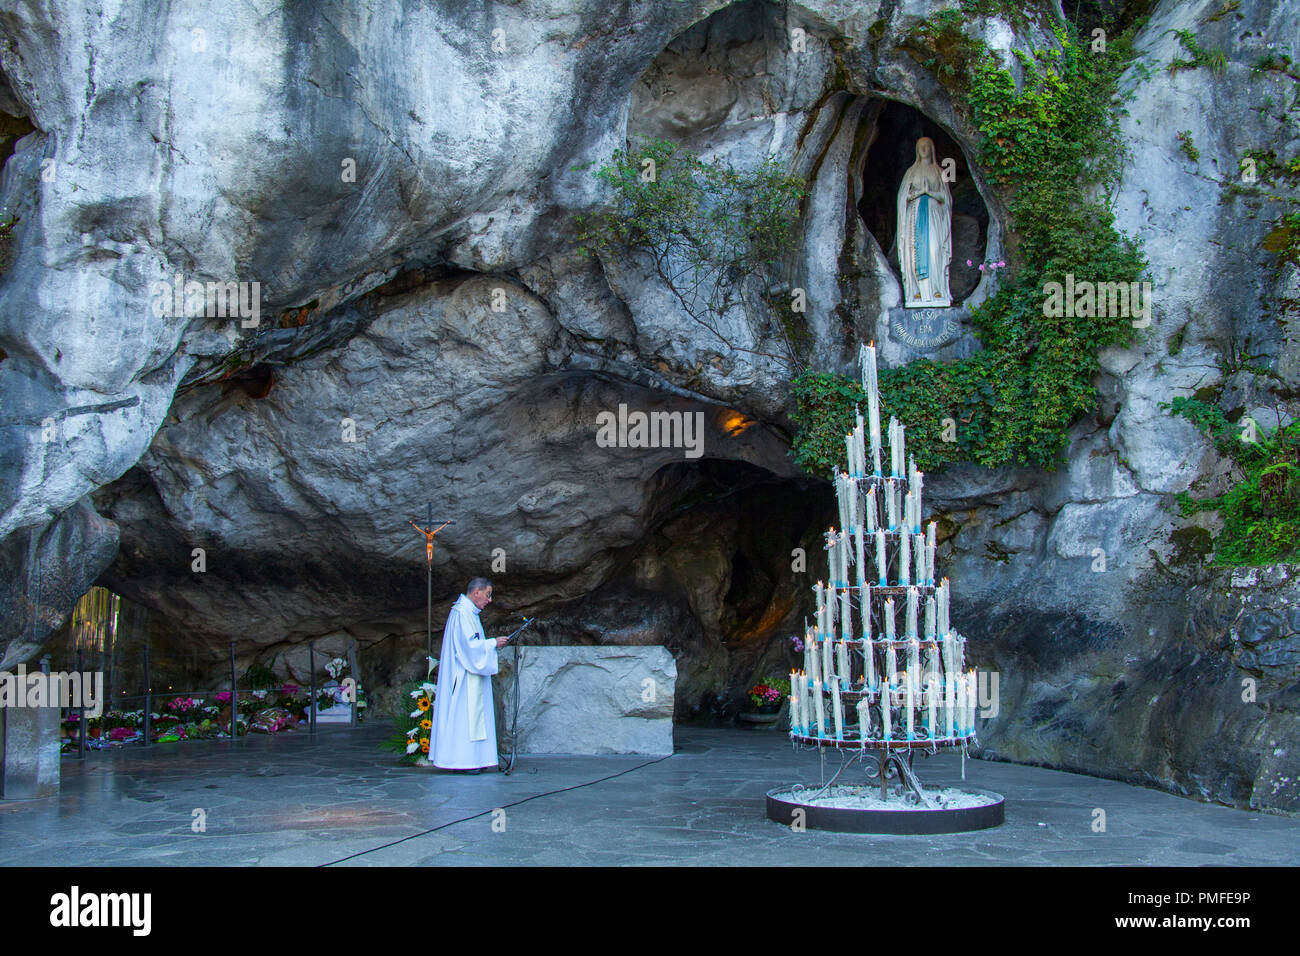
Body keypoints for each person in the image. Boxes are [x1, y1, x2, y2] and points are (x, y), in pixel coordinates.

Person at [429, 577, 509, 773]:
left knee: (473, 717)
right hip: (463, 677)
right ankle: (462, 761)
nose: (489, 600)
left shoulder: (469, 613)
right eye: (488, 595)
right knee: (465, 717)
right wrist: (492, 643)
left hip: (470, 675)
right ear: (476, 593)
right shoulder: (462, 613)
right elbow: (469, 648)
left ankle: (474, 760)